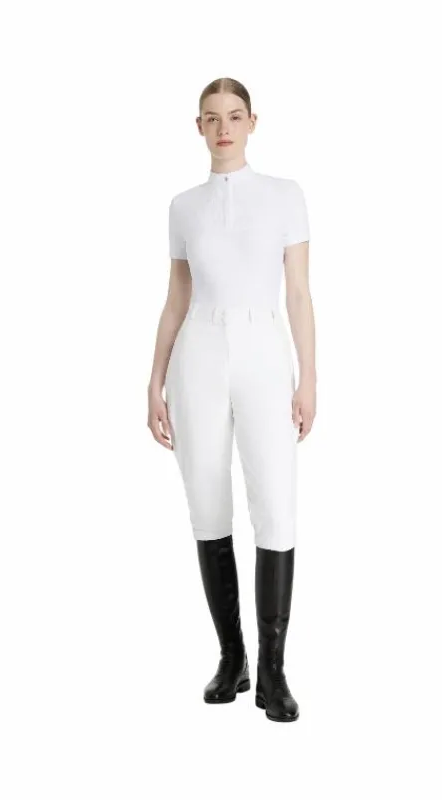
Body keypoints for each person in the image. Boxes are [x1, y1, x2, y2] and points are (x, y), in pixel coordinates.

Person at [147, 77, 317, 723]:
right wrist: (154, 381)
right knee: (207, 502)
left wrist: (309, 378)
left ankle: (274, 670)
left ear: (252, 122)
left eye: (235, 116)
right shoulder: (182, 207)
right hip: (198, 352)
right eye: (213, 118)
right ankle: (232, 658)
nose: (224, 128)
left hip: (264, 350)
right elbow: (176, 297)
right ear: (199, 126)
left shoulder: (285, 196)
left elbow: (298, 293)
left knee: (275, 501)